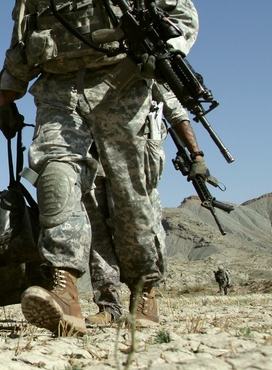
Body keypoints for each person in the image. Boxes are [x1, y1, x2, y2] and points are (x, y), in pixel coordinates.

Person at [0, 0, 199, 336]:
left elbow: (183, 12)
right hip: (59, 85)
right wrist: (8, 92)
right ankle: (64, 285)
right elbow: (25, 28)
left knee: (132, 190)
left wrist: (164, 52)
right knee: (55, 172)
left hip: (122, 81)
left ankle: (145, 288)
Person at [86, 84, 220, 326]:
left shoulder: (137, 57)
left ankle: (146, 296)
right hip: (90, 157)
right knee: (97, 236)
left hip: (134, 158)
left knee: (139, 228)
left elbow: (174, 109)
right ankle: (108, 306)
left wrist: (196, 154)